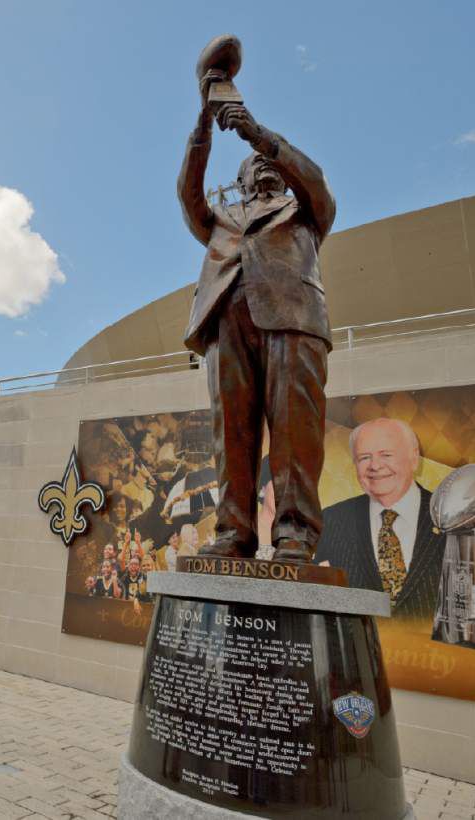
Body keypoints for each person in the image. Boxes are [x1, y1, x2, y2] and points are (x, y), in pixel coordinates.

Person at [178, 66, 335, 562]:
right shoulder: (221, 221)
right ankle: (234, 532)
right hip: (227, 324)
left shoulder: (305, 211)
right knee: (232, 435)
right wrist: (204, 123)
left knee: (294, 430)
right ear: (240, 183)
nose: (262, 170)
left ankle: (294, 534)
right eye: (252, 166)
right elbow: (189, 195)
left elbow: (312, 178)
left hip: (292, 321)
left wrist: (256, 134)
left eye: (270, 166)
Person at [316, 418, 475, 619]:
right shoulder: (331, 520)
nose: (375, 465)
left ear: (414, 458)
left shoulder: (469, 519)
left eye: (386, 455)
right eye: (364, 457)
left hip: (444, 650)